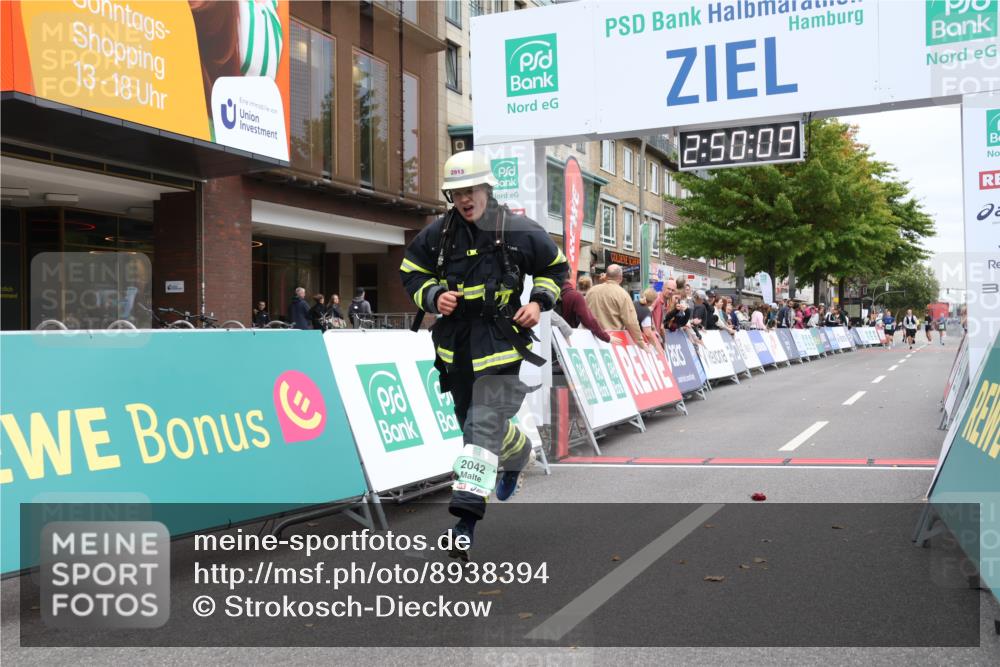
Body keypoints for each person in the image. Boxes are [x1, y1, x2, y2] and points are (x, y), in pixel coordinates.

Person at [399, 150, 567, 560]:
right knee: (473, 427)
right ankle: (518, 450)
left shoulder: (518, 229)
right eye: (455, 193)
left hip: (501, 346)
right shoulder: (438, 234)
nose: (463, 199)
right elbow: (411, 271)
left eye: (470, 190)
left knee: (479, 430)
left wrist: (539, 302)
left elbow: (555, 268)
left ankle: (464, 524)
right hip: (455, 350)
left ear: (487, 188)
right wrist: (433, 296)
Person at [585, 264, 648, 350]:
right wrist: (640, 342)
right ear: (621, 278)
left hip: (589, 339)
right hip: (612, 341)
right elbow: (631, 322)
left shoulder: (591, 291)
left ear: (606, 275)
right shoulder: (623, 294)